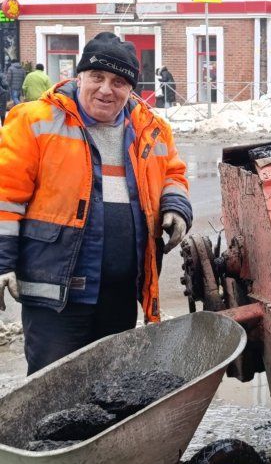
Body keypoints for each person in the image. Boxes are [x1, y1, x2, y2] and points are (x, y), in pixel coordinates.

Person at [0, 32, 193, 374]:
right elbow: (5, 193)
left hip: (119, 291)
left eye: (119, 81)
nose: (106, 89)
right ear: (80, 76)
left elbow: (172, 174)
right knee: (54, 390)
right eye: (97, 77)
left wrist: (175, 206)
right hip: (56, 296)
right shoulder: (34, 120)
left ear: (130, 88)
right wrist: (2, 261)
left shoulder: (152, 128)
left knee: (110, 388)